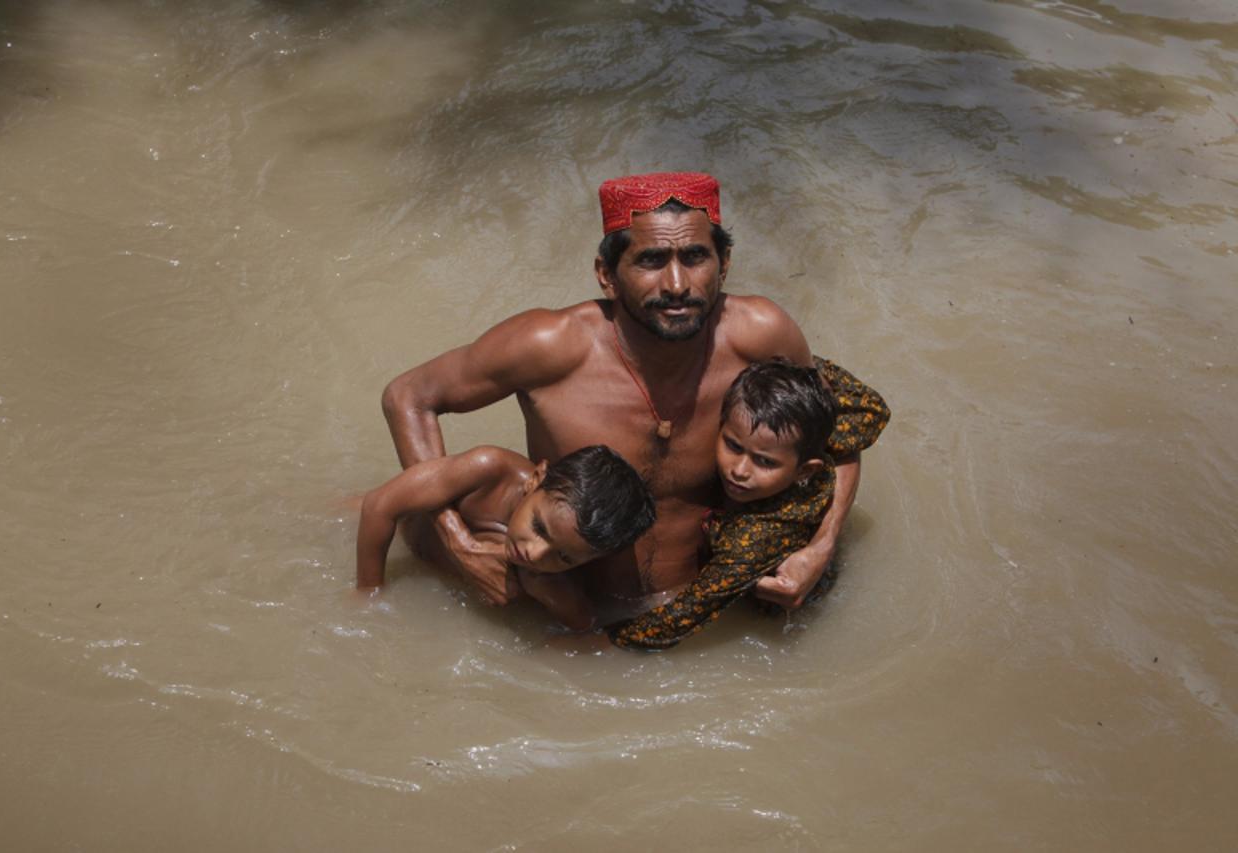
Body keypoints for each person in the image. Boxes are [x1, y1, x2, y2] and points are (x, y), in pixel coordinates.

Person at [382, 171, 888, 616]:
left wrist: (819, 551)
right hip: (564, 601)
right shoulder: (552, 347)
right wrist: (459, 543)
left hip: (700, 604)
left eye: (694, 257)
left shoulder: (760, 334)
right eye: (650, 260)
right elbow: (409, 396)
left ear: (724, 262)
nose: (675, 283)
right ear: (607, 275)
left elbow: (836, 437)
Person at [610, 358, 886, 649]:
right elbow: (870, 407)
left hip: (779, 599)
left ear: (805, 471)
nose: (739, 470)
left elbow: (685, 614)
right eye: (733, 445)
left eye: (764, 462)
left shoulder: (755, 539)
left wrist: (605, 642)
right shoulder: (803, 433)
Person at [356, 444, 655, 630]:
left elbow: (581, 625)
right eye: (539, 527)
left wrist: (547, 594)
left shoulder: (547, 579)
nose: (536, 554)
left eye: (563, 557)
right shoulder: (489, 472)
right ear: (536, 479)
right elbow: (378, 507)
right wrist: (368, 595)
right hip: (391, 533)